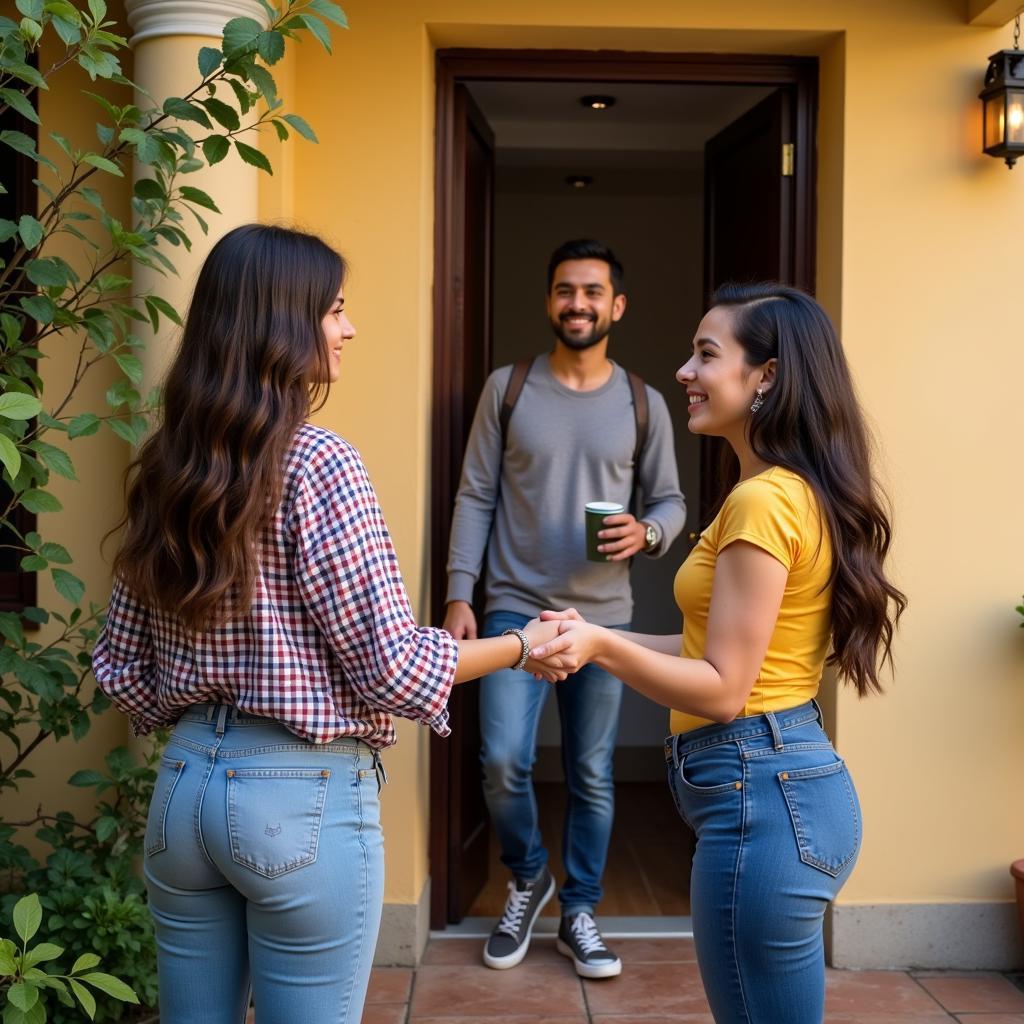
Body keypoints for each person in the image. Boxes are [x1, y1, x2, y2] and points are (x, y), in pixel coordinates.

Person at [91, 224, 566, 1024]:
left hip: (182, 791)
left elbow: (122, 666)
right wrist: (523, 646)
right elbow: (391, 670)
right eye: (335, 309)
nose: (349, 328)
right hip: (298, 801)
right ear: (283, 322)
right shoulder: (321, 465)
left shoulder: (168, 462)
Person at [530, 282, 906, 1022]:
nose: (684, 372)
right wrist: (594, 639)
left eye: (707, 355)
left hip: (760, 797)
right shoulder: (789, 491)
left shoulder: (762, 502)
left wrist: (602, 640)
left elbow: (722, 688)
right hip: (787, 783)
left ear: (765, 376)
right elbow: (713, 649)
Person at [444, 239, 687, 977]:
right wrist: (461, 593)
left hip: (605, 621)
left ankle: (579, 910)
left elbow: (671, 501)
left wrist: (648, 534)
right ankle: (529, 876)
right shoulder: (507, 389)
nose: (576, 303)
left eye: (591, 292)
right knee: (503, 760)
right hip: (513, 612)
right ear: (549, 301)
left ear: (617, 306)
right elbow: (475, 494)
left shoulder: (644, 402)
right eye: (563, 290)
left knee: (590, 771)